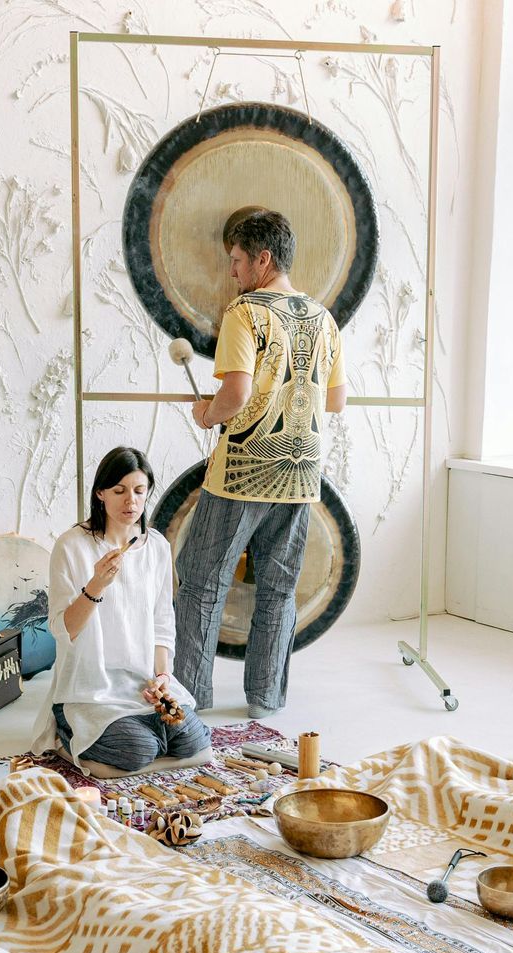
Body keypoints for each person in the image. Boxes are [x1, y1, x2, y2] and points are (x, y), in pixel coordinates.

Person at [175, 208, 349, 721]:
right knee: (278, 588)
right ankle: (266, 698)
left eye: (236, 260)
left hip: (243, 471)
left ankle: (189, 700)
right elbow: (336, 401)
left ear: (262, 259)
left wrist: (207, 413)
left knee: (202, 581)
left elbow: (235, 393)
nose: (232, 271)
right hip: (301, 473)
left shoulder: (245, 312)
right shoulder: (323, 318)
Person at [32, 447, 211, 775]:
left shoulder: (157, 546)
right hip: (91, 689)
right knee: (138, 749)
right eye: (119, 491)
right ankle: (66, 732)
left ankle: (133, 734)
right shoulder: (72, 546)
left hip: (142, 685)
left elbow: (162, 622)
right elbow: (63, 630)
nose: (131, 501)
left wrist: (162, 677)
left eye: (139, 491)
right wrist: (96, 585)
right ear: (100, 493)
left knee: (192, 740)